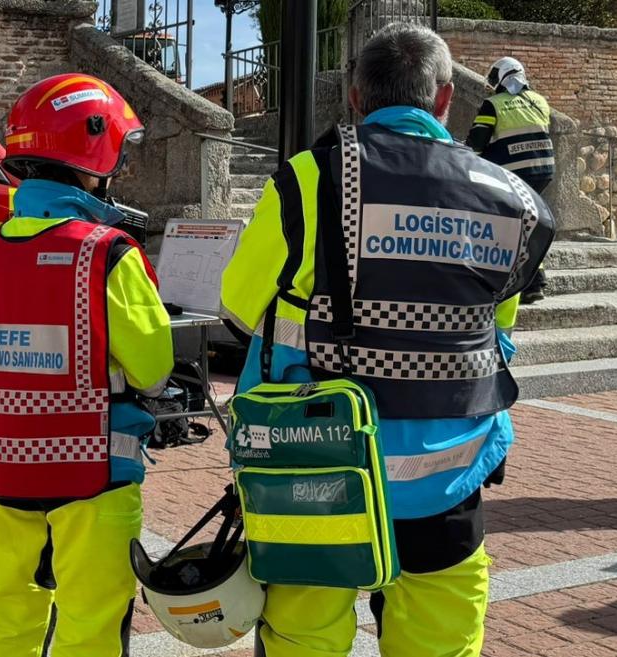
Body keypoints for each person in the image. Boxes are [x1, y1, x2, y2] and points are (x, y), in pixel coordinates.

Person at [220, 23, 554, 657]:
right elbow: (498, 326)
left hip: (315, 468)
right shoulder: (506, 198)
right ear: (445, 99)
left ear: (354, 97)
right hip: (448, 473)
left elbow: (238, 309)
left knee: (303, 637)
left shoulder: (309, 178)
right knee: (439, 638)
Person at [0, 73, 173, 657]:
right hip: (90, 475)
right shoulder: (107, 252)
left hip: (0, 470)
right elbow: (153, 371)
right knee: (90, 625)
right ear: (94, 150)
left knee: (11, 617)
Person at [467, 56, 555, 304]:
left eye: (494, 78)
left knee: (510, 228)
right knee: (527, 226)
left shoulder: (493, 105)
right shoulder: (540, 102)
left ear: (503, 77)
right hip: (543, 172)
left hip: (513, 174)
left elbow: (476, 144)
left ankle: (522, 283)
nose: (492, 84)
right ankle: (535, 282)